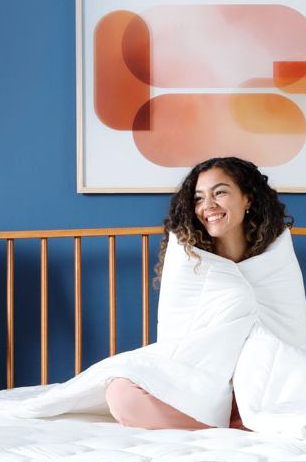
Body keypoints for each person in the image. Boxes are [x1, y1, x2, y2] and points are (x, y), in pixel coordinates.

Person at [106, 156, 293, 429]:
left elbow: (289, 332)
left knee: (287, 389)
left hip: (256, 380)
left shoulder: (274, 257)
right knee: (120, 393)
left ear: (248, 199)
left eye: (220, 193)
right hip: (201, 378)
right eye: (198, 198)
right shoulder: (187, 258)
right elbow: (177, 340)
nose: (208, 206)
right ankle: (231, 425)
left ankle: (241, 416)